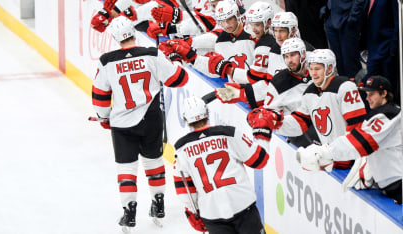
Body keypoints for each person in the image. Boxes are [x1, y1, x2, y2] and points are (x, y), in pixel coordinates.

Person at [91, 16, 189, 231]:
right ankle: (159, 203)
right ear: (133, 32)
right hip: (152, 118)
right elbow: (178, 79)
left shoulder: (107, 61)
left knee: (126, 167)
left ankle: (129, 211)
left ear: (115, 38)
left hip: (122, 124)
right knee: (153, 162)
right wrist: (177, 61)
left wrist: (103, 117)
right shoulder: (152, 54)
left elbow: (99, 96)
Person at [247, 49, 367, 169]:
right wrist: (275, 120)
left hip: (351, 159)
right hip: (331, 159)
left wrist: (353, 158)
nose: (313, 73)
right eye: (311, 68)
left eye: (318, 69)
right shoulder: (310, 92)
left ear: (330, 69)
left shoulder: (344, 87)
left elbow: (357, 125)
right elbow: (299, 123)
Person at [296, 75, 402, 204]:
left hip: (398, 184)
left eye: (372, 94)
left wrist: (326, 152)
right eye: (366, 94)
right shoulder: (380, 113)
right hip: (392, 184)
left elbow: (360, 142)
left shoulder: (388, 114)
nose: (367, 98)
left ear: (384, 93)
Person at [174, 96, 269, 234]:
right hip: (243, 205)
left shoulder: (180, 149)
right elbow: (260, 160)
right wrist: (263, 132)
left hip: (212, 213)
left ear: (185, 119)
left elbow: (184, 189)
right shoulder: (229, 133)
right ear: (207, 112)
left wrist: (191, 212)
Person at [361, 0, 400, 104]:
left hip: (387, 48)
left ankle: (392, 113)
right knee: (370, 84)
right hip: (372, 49)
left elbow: (398, 21)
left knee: (389, 86)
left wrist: (393, 48)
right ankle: (375, 113)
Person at [323, 0, 367, 78]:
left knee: (350, 64)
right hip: (330, 16)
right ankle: (344, 87)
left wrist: (353, 17)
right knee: (338, 62)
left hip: (348, 19)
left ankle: (356, 88)